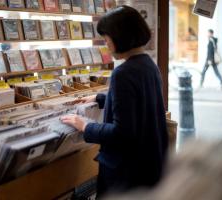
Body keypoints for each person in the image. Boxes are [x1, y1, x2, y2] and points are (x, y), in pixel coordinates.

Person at [61, 6, 168, 198]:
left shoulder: (123, 73)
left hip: (126, 174)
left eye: (106, 38)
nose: (106, 44)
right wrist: (101, 98)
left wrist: (85, 126)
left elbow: (122, 133)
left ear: (120, 36)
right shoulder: (148, 64)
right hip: (148, 165)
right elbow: (141, 103)